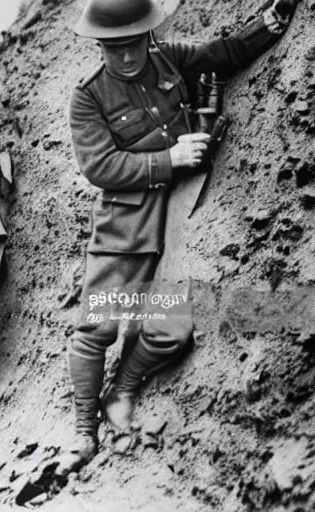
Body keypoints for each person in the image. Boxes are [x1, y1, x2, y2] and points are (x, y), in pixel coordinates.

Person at [64, 0, 297, 467]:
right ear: (98, 46)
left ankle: (124, 388)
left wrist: (269, 24)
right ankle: (82, 431)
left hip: (180, 210)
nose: (126, 58)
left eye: (133, 45)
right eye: (113, 49)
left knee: (173, 323)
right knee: (98, 326)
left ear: (147, 37)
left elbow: (224, 53)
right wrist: (168, 157)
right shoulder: (88, 97)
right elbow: (99, 166)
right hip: (125, 223)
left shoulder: (169, 58)